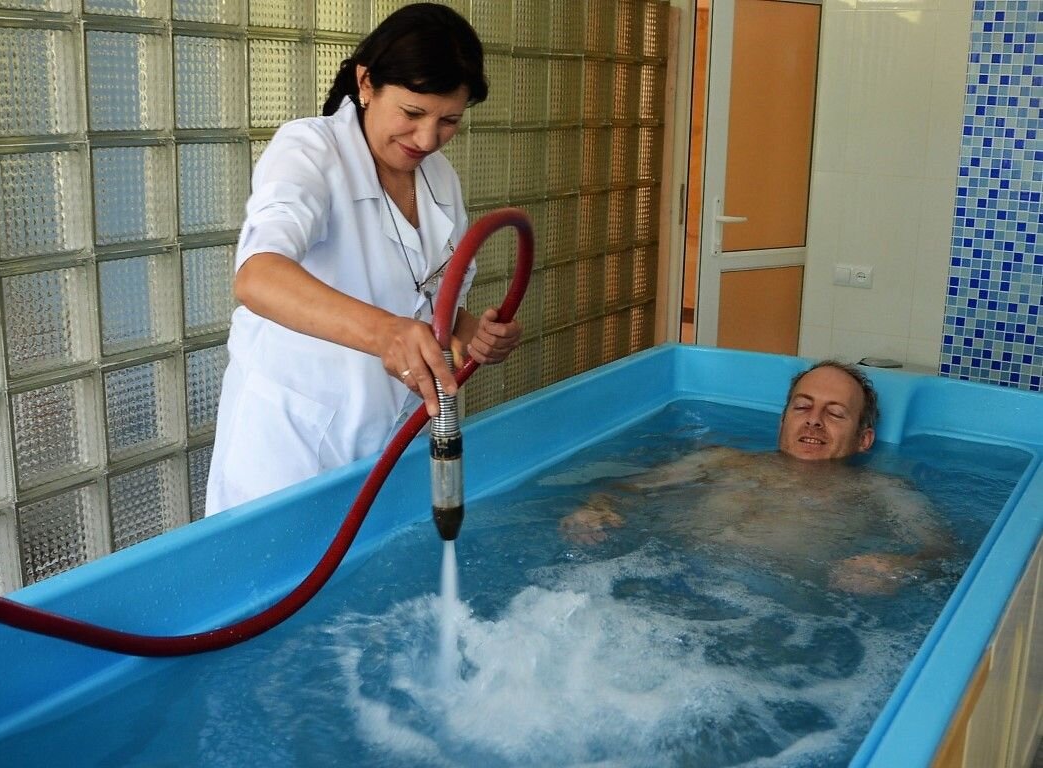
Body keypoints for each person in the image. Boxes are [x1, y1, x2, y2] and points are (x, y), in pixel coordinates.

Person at [206, 3, 522, 516]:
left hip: (392, 447)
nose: (427, 139)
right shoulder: (309, 151)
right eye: (413, 114)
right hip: (294, 451)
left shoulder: (439, 180)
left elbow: (430, 309)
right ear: (367, 83)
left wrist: (473, 333)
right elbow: (258, 277)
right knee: (286, 589)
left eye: (449, 121)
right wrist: (386, 334)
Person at [559, 361, 953, 594]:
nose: (813, 420)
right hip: (657, 580)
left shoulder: (882, 491)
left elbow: (944, 554)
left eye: (834, 414)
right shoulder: (720, 461)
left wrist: (901, 567)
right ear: (783, 421)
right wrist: (595, 508)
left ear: (864, 440)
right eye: (802, 407)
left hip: (773, 610)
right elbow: (625, 490)